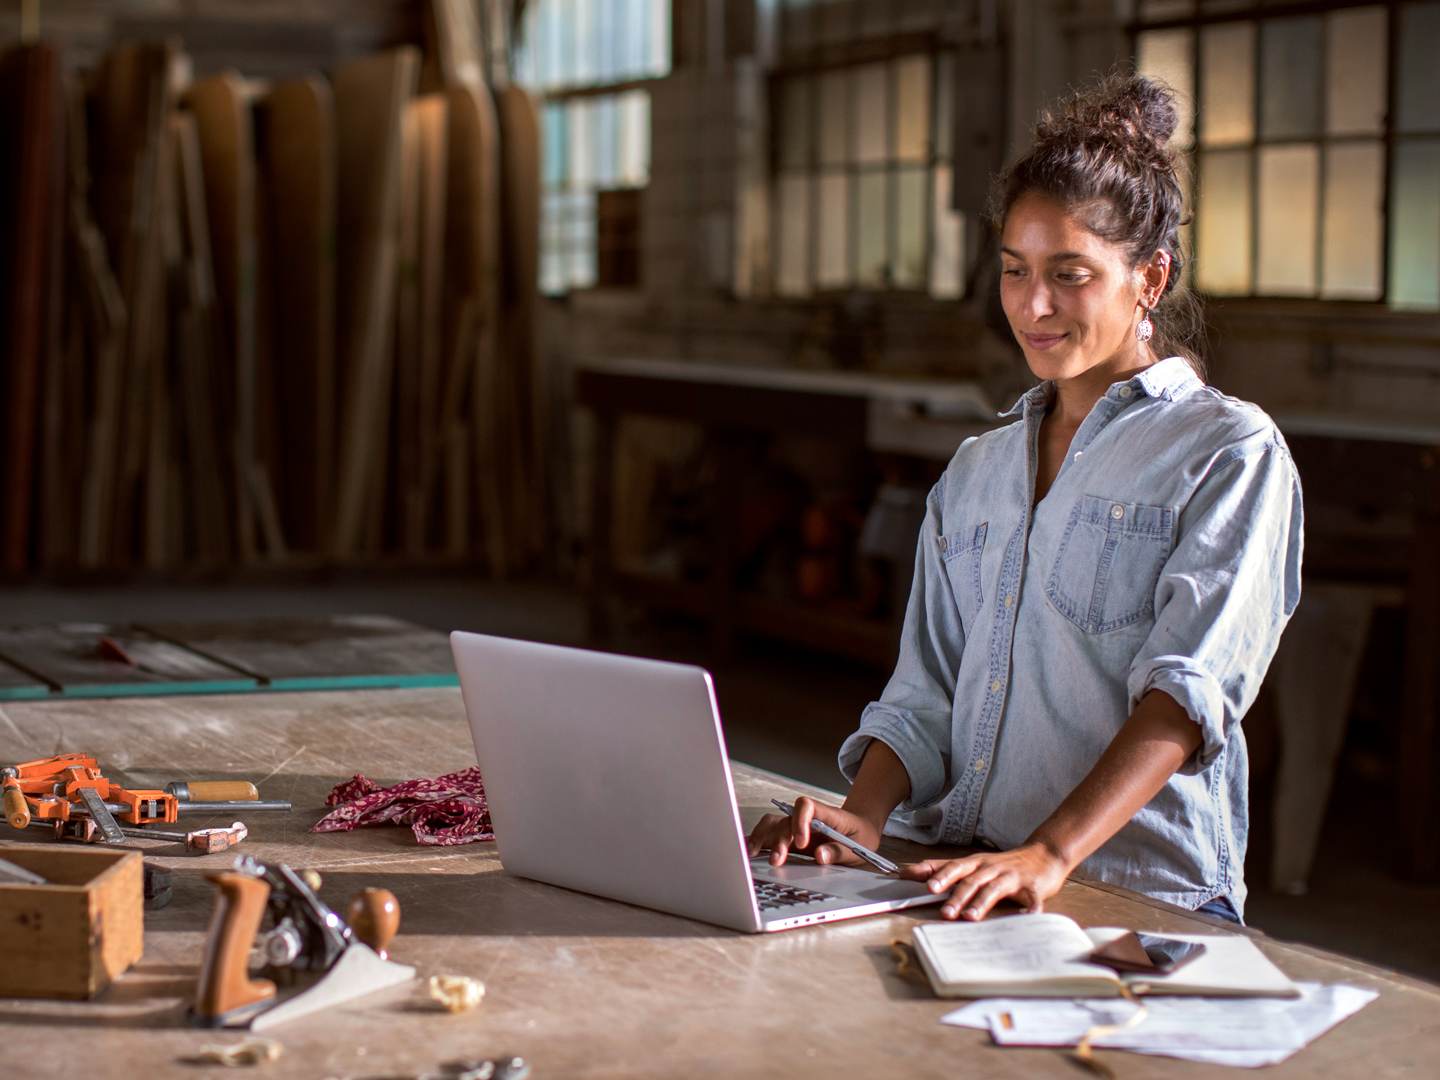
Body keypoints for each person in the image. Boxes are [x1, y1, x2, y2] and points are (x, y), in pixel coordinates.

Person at [747, 75, 1302, 925]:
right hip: (962, 873)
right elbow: (924, 690)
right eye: (1015, 271)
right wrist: (862, 818)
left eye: (1069, 275)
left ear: (1149, 278)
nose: (1033, 306)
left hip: (1135, 894)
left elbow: (1188, 699)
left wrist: (1049, 854)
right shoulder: (975, 471)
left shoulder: (1228, 453)